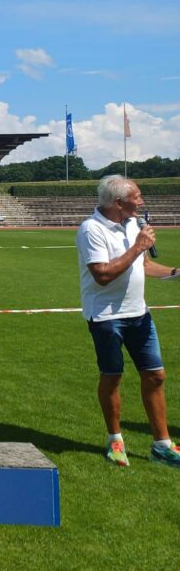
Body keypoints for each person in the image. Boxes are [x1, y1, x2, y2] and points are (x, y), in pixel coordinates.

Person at [76, 175, 180, 468]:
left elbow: (145, 266)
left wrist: (175, 271)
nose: (142, 201)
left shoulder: (132, 224)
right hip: (107, 317)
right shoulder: (91, 229)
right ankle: (115, 440)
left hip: (139, 313)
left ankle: (162, 445)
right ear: (118, 202)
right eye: (137, 197)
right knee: (112, 377)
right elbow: (103, 274)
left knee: (156, 375)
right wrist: (137, 246)